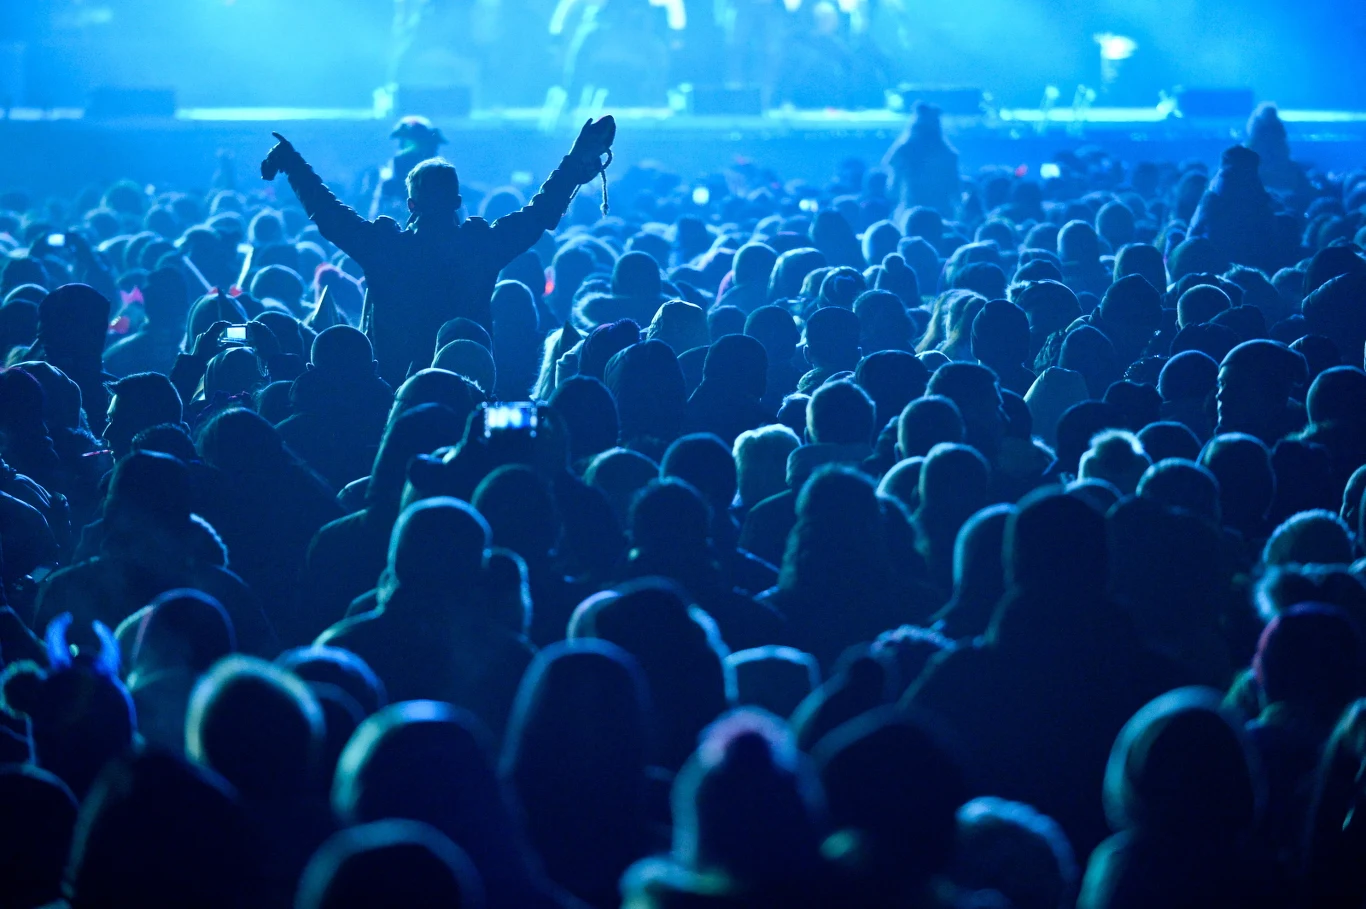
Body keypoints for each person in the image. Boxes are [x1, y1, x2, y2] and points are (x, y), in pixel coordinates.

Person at [261, 118, 616, 385]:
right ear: (458, 202)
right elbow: (538, 213)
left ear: (411, 205)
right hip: (468, 387)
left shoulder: (385, 249)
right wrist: (575, 163)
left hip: (396, 389)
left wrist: (293, 164)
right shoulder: (482, 247)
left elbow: (329, 213)